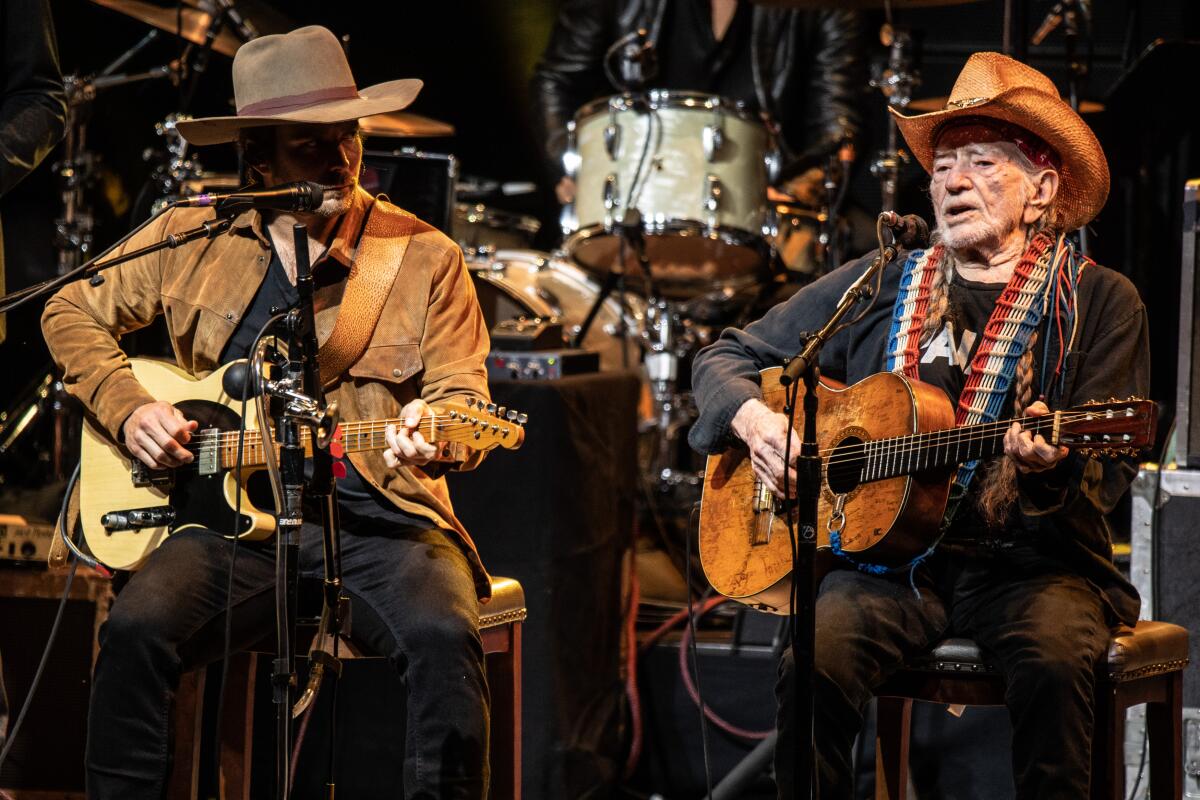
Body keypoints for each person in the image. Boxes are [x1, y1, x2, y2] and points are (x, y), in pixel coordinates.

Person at [41, 26, 493, 799]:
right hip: (232, 530)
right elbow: (66, 308)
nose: (338, 159)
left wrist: (438, 437)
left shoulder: (423, 256)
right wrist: (128, 408)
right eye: (308, 145)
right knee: (135, 632)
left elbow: (463, 395)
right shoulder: (194, 234)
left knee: (445, 638)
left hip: (383, 522)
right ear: (259, 157)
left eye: (345, 135)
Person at [688, 52, 1149, 798]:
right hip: (891, 566)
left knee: (1056, 662)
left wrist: (1051, 465)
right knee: (814, 654)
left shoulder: (1099, 301)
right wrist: (754, 421)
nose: (952, 181)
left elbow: (1108, 474)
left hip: (1034, 566)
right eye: (943, 166)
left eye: (982, 162)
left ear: (1042, 190)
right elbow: (725, 356)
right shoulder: (884, 280)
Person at [530, 0, 864, 206]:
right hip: (631, 202)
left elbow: (836, 129)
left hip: (760, 212)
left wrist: (795, 195)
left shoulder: (821, 8)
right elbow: (557, 79)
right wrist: (573, 166)